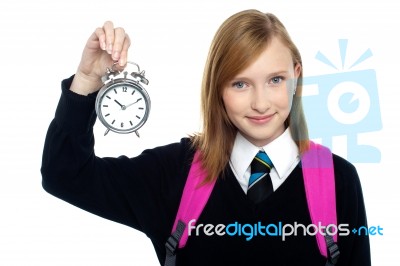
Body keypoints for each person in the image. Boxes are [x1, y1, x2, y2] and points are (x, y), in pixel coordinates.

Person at [41, 9, 371, 266]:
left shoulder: (337, 180)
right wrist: (87, 79)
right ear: (218, 87)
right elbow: (65, 175)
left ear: (296, 75)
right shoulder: (175, 173)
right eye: (240, 84)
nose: (260, 103)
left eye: (275, 79)